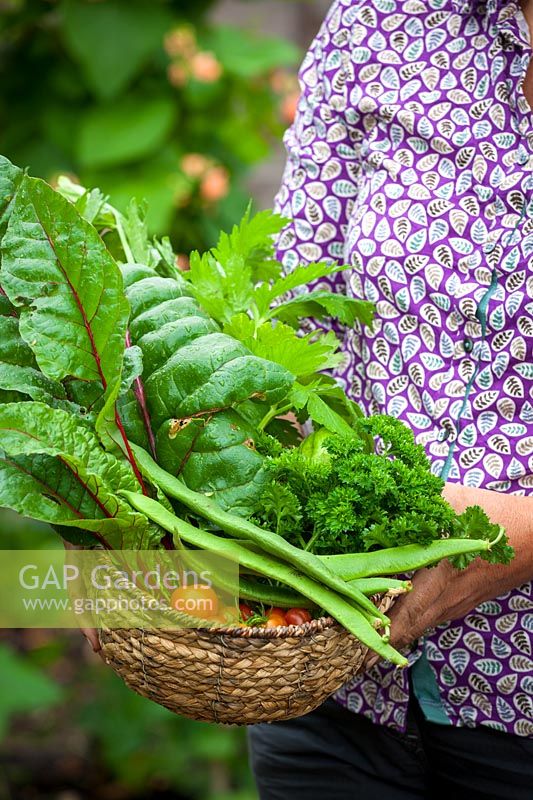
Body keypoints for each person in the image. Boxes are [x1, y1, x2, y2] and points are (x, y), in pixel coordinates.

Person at [248, 1, 533, 798]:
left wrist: (520, 531)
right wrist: (143, 554)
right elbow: (289, 304)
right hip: (332, 687)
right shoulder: (389, 16)